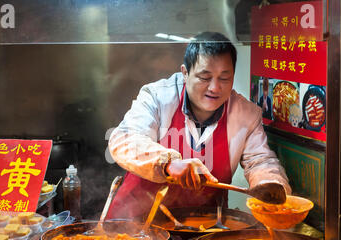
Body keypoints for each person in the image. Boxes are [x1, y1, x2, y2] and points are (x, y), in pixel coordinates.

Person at [107, 32, 290, 220]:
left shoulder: (246, 114)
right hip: (135, 220)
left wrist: (269, 183)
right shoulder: (158, 96)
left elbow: (260, 161)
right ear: (185, 73)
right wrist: (168, 163)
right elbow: (125, 139)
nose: (215, 88)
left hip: (205, 227)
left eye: (224, 78)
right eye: (205, 77)